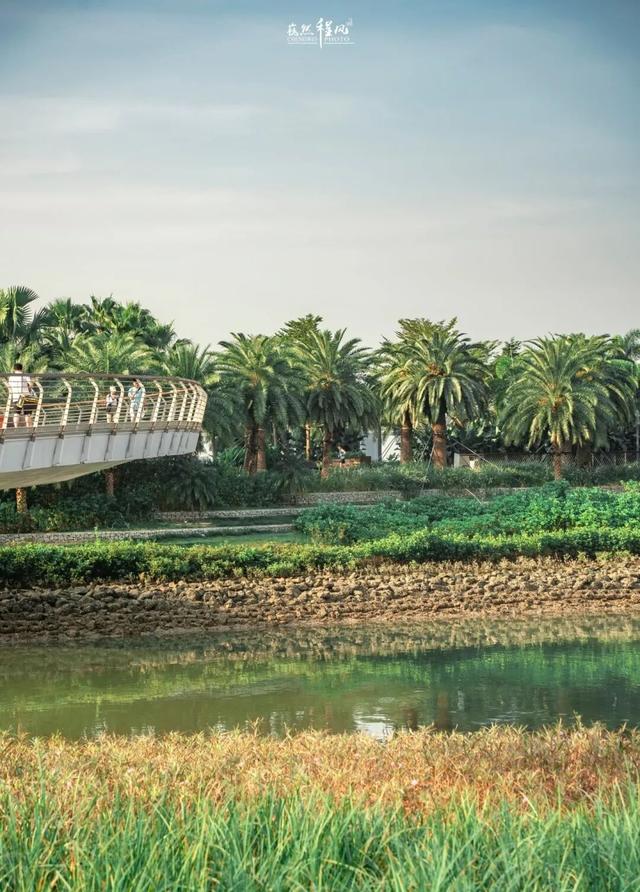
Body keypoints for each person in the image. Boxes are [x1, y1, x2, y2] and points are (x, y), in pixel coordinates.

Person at [7, 362, 34, 428]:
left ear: (14, 369)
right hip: (26, 395)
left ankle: (16, 427)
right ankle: (29, 428)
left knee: (16, 413)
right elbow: (31, 385)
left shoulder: (11, 377)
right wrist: (28, 388)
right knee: (28, 413)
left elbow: (9, 387)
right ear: (22, 368)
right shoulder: (25, 375)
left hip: (16, 396)